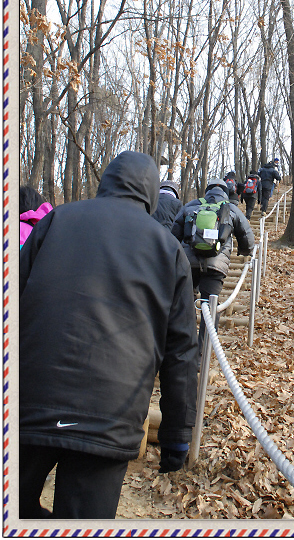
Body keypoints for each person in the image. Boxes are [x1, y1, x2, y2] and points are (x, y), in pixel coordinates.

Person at [19, 151, 199, 519]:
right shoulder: (167, 249)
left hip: (28, 405)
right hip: (110, 421)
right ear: (150, 191)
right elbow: (181, 352)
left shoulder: (55, 220)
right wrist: (176, 436)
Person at [171, 178, 255, 357]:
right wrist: (244, 251)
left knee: (186, 304)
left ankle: (184, 349)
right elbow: (247, 235)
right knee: (211, 309)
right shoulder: (230, 208)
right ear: (226, 191)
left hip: (188, 264)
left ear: (207, 190)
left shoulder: (191, 205)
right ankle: (202, 355)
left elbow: (173, 235)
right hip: (216, 266)